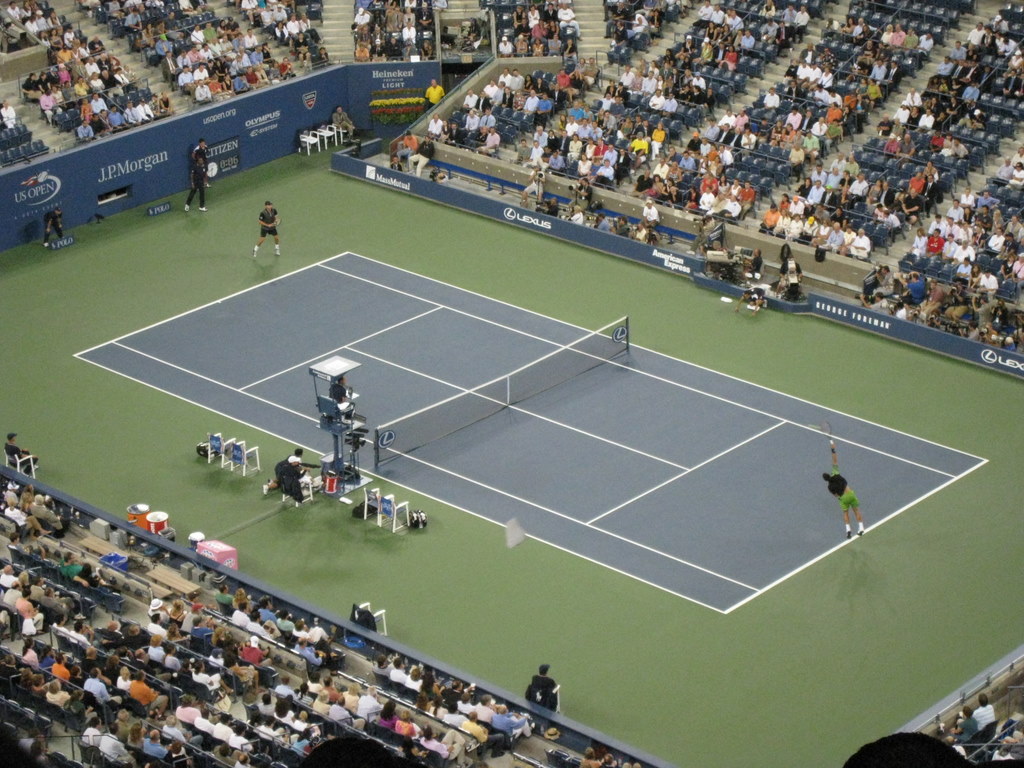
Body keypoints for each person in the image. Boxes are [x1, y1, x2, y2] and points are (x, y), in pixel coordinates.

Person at [823, 440, 865, 539]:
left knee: (845, 513)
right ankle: (861, 528)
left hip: (843, 499)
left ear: (826, 480)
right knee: (856, 511)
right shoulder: (835, 473)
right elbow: (835, 461)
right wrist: (833, 449)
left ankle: (848, 531)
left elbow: (836, 496)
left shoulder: (829, 487)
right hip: (850, 494)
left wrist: (841, 498)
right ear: (829, 474)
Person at [184, 138, 208, 212]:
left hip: (200, 182)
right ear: (198, 161)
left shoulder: (203, 166)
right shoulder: (195, 166)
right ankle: (187, 204)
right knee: (192, 193)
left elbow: (204, 175)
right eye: (201, 160)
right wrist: (192, 183)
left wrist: (204, 182)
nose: (202, 161)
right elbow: (191, 175)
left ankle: (201, 206)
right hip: (195, 182)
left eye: (202, 160)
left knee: (202, 194)